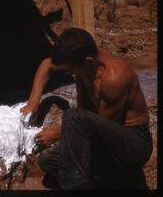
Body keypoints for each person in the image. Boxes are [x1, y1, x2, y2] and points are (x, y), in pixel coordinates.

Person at [20, 28, 153, 189]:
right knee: (48, 160)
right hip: (104, 141)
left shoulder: (114, 78)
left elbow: (101, 127)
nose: (69, 73)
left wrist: (56, 134)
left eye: (71, 70)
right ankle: (120, 176)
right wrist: (33, 102)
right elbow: (47, 64)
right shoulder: (84, 62)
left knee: (73, 117)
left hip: (133, 144)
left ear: (88, 61)